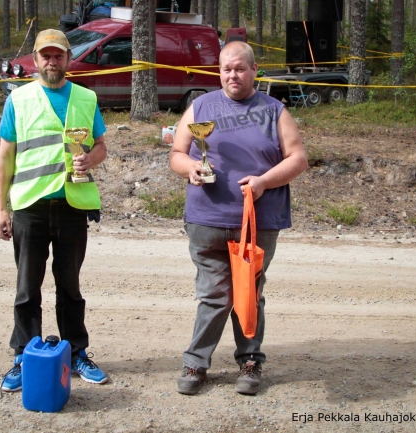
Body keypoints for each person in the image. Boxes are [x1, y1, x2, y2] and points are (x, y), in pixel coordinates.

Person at [169, 41, 308, 396]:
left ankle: (249, 360)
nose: (233, 75)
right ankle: (196, 363)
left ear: (254, 70)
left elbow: (297, 158)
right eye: (227, 69)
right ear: (219, 71)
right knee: (214, 295)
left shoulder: (275, 110)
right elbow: (177, 153)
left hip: (260, 221)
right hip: (207, 220)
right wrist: (191, 171)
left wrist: (264, 182)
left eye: (240, 68)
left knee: (249, 293)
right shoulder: (200, 106)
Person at [0, 29, 109, 392]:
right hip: (30, 206)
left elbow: (102, 145)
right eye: (45, 55)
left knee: (70, 287)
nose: (52, 61)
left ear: (68, 59)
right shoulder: (19, 99)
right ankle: (24, 355)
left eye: (58, 55)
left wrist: (90, 158)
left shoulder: (87, 98)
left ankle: (76, 352)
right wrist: (0, 209)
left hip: (73, 205)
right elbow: (4, 156)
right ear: (36, 59)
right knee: (27, 288)